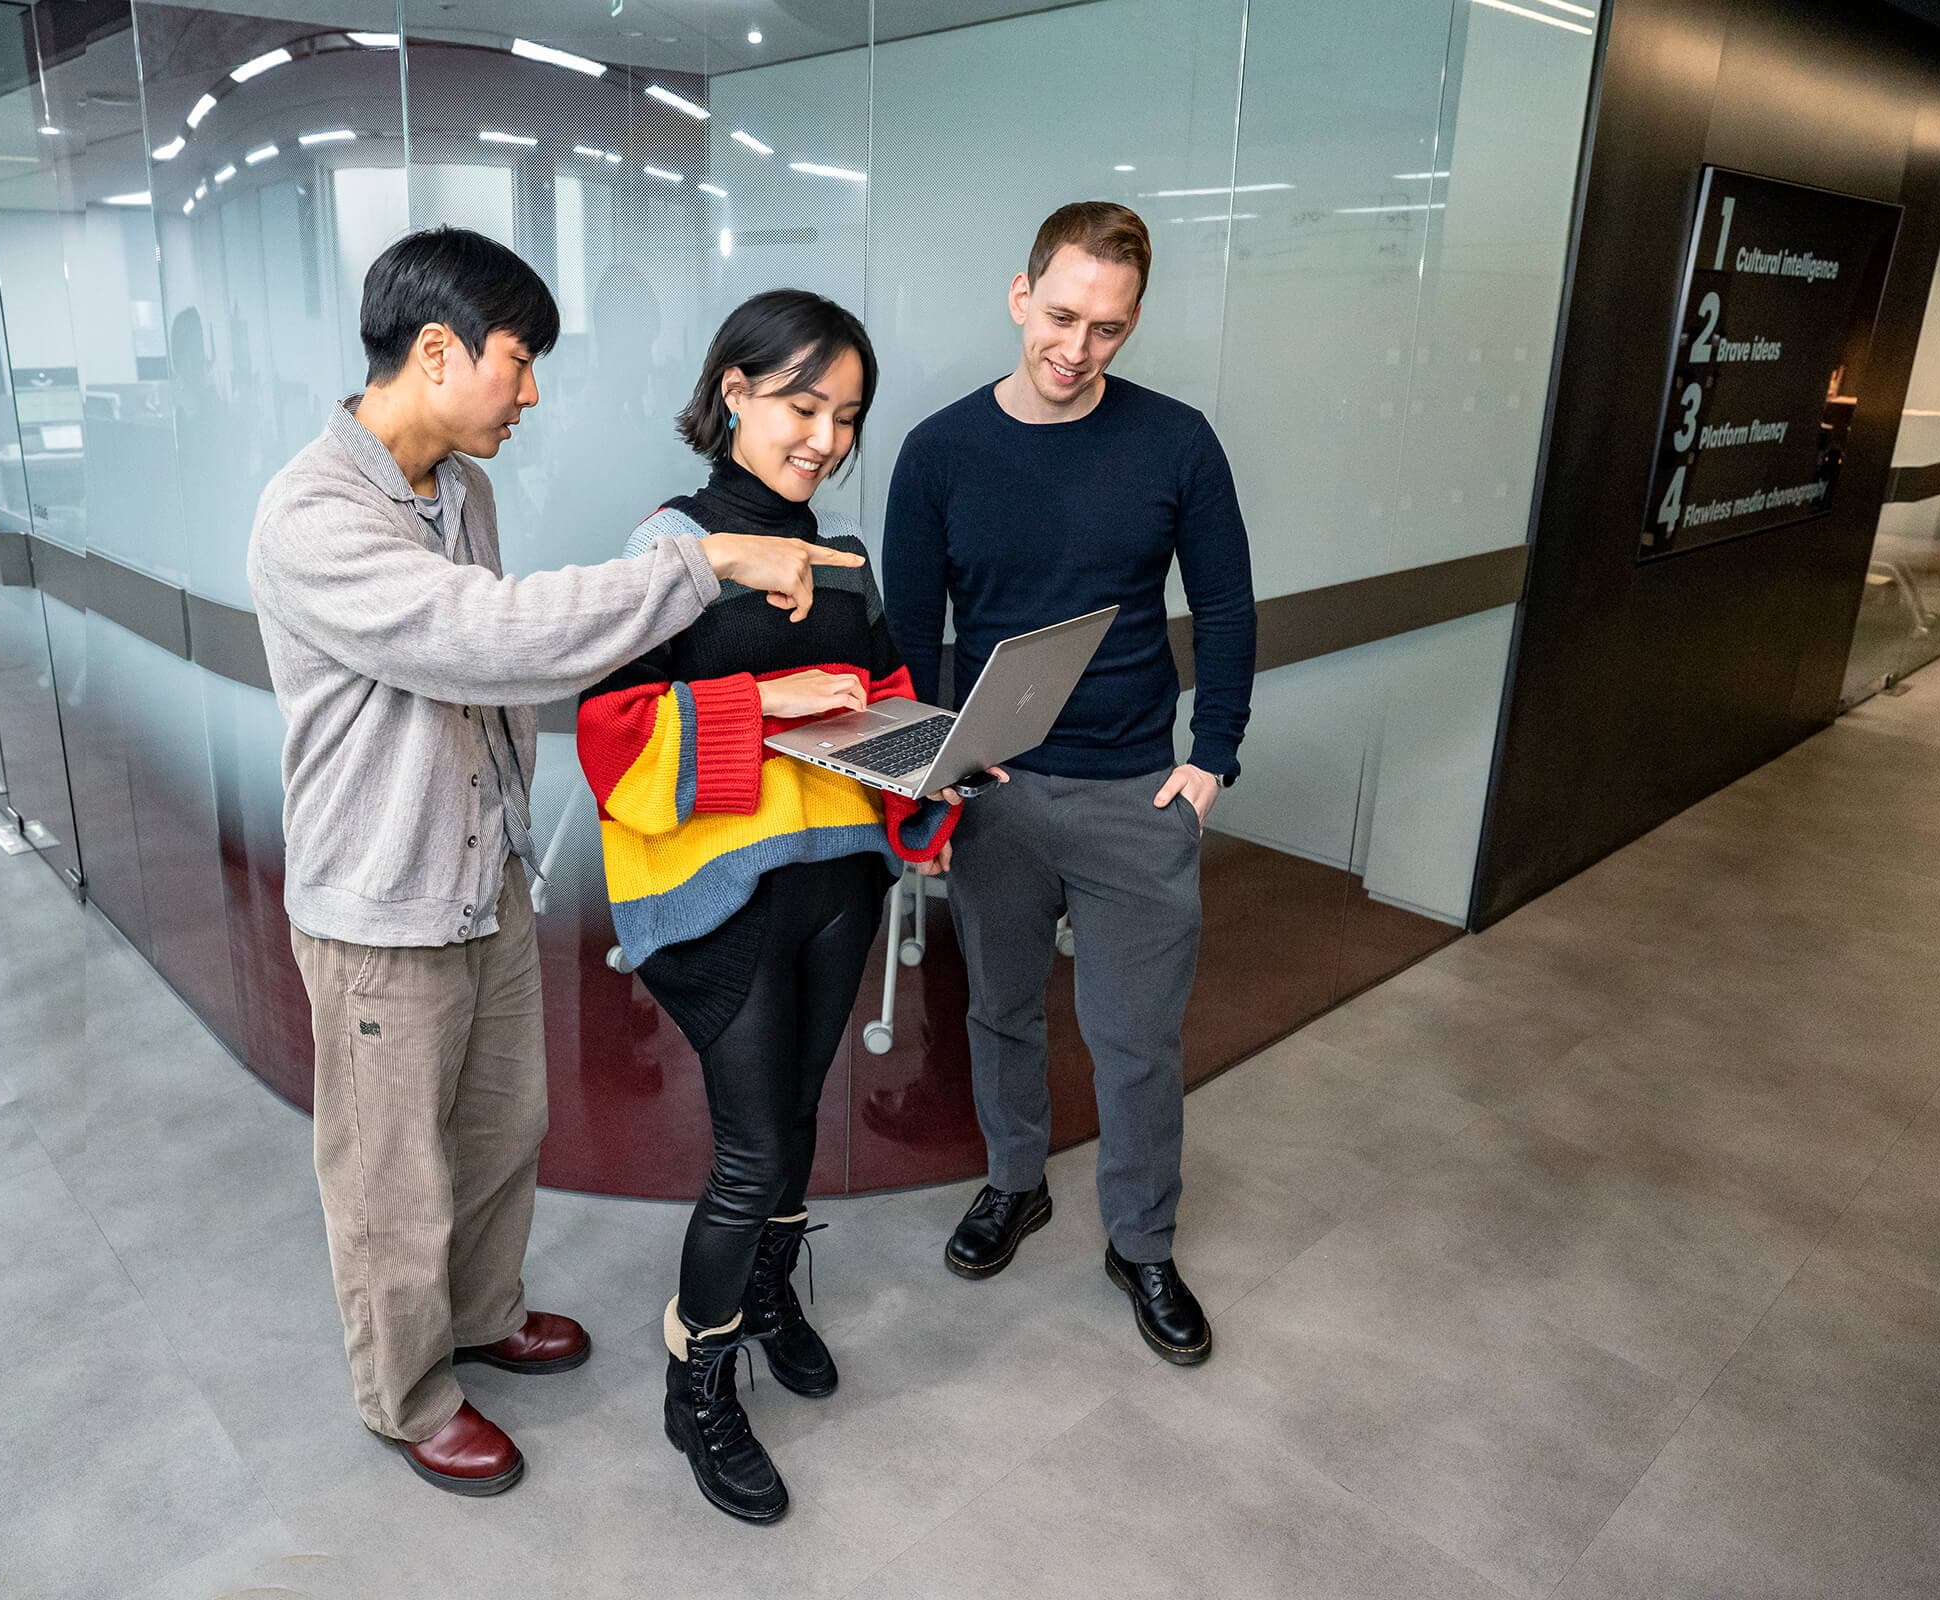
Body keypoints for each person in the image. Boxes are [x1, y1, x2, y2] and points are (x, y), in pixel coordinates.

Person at [245, 228, 865, 1499]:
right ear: (436, 351)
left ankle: (480, 1316)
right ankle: (409, 1394)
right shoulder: (312, 512)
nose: (532, 393)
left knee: (499, 1128)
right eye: (519, 361)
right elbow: (486, 642)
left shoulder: (457, 491)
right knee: (390, 1176)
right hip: (380, 899)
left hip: (480, 876)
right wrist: (704, 565)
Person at [575, 290, 972, 1524]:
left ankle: (773, 1296)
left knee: (796, 1118)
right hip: (718, 895)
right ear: (734, 389)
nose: (825, 438)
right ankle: (699, 1380)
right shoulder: (670, 550)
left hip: (835, 879)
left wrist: (944, 751)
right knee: (747, 1154)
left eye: (846, 416)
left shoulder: (846, 554)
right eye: (803, 405)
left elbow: (890, 687)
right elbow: (609, 736)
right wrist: (778, 705)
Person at [881, 201, 1256, 1367]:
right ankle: (1013, 1182)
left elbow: (1230, 608)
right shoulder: (939, 452)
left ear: (1132, 323)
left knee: (1134, 1041)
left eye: (1108, 327)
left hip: (1139, 791)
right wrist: (928, 792)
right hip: (996, 793)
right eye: (1060, 315)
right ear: (1018, 293)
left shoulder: (1178, 442)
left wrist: (1211, 762)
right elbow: (909, 639)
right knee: (998, 1009)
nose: (1077, 347)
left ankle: (1141, 1241)